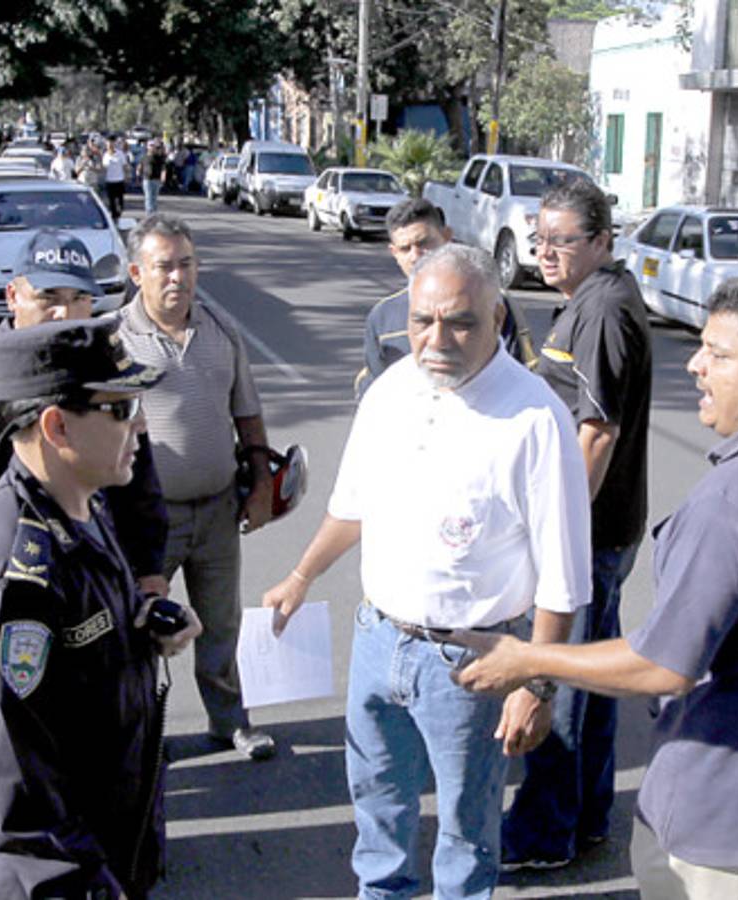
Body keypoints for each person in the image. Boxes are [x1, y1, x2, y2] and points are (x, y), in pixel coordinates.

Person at [453, 275, 738, 900]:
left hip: (724, 821)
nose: (695, 366)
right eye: (701, 347)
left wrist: (527, 659)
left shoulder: (737, 499)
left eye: (720, 355)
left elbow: (663, 665)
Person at [263, 243, 593, 899]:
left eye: (459, 322)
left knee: (465, 836)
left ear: (496, 318)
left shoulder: (533, 419)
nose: (435, 339)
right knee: (377, 810)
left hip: (470, 664)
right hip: (377, 640)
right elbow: (352, 508)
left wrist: (536, 684)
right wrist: (300, 576)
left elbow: (563, 578)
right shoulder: (389, 393)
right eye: (421, 321)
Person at [0, 317, 202, 899]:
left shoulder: (82, 503)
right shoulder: (11, 576)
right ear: (57, 426)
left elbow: (84, 644)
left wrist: (148, 625)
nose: (138, 426)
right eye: (119, 410)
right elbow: (18, 787)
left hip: (108, 845)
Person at [0, 229, 170, 642]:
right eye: (49, 298)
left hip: (88, 566)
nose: (65, 313)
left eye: (79, 299)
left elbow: (137, 476)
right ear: (13, 296)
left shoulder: (106, 374)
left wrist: (149, 567)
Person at [499, 179, 653, 871]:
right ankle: (585, 820)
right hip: (604, 532)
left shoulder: (599, 311)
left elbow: (595, 432)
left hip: (587, 537)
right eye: (540, 239)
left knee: (553, 684)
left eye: (563, 240)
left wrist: (555, 535)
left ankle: (541, 835)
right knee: (589, 685)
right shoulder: (591, 301)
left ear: (601, 241)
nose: (547, 252)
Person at [117, 213, 278, 761]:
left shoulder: (221, 329)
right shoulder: (115, 339)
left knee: (220, 623)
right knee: (145, 630)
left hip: (217, 510)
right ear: (137, 271)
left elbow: (249, 417)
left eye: (186, 264)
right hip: (146, 518)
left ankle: (229, 722)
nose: (177, 278)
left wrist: (260, 487)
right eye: (164, 266)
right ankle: (141, 735)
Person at [354, 197, 536, 401]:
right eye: (405, 248)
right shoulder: (382, 317)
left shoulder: (488, 304)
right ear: (394, 253)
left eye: (424, 243)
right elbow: (375, 391)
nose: (416, 256)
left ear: (447, 236)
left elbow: (516, 375)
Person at [102, 136, 130, 219]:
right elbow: (104, 167)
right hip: (109, 180)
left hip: (119, 180)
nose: (110, 146)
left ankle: (119, 213)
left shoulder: (120, 154)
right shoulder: (105, 155)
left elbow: (125, 166)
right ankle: (114, 216)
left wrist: (127, 176)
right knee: (111, 201)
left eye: (111, 144)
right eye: (108, 145)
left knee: (120, 200)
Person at [140, 139, 166, 214]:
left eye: (153, 146)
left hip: (156, 179)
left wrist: (163, 176)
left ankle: (154, 213)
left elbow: (163, 168)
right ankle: (149, 214)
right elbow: (140, 166)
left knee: (154, 198)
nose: (152, 147)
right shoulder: (144, 157)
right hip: (147, 179)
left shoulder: (159, 157)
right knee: (148, 197)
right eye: (150, 146)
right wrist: (138, 172)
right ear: (147, 147)